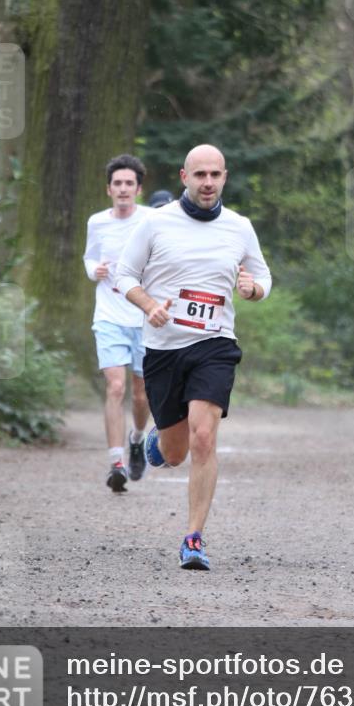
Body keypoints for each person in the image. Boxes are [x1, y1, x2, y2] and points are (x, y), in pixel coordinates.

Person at [116, 144, 272, 569]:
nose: (208, 182)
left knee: (204, 437)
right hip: (164, 348)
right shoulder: (155, 223)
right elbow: (124, 274)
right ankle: (159, 441)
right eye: (199, 174)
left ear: (225, 177)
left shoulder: (239, 227)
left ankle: (193, 538)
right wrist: (149, 306)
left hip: (215, 344)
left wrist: (254, 289)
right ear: (184, 177)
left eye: (215, 175)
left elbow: (262, 275)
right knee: (175, 453)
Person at [83, 154, 153, 493]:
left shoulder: (152, 220)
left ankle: (136, 439)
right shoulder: (97, 222)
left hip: (143, 317)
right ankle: (116, 463)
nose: (123, 189)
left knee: (141, 394)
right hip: (109, 316)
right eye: (117, 184)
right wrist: (93, 270)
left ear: (138, 189)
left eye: (129, 184)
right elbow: (89, 257)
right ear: (108, 189)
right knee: (115, 387)